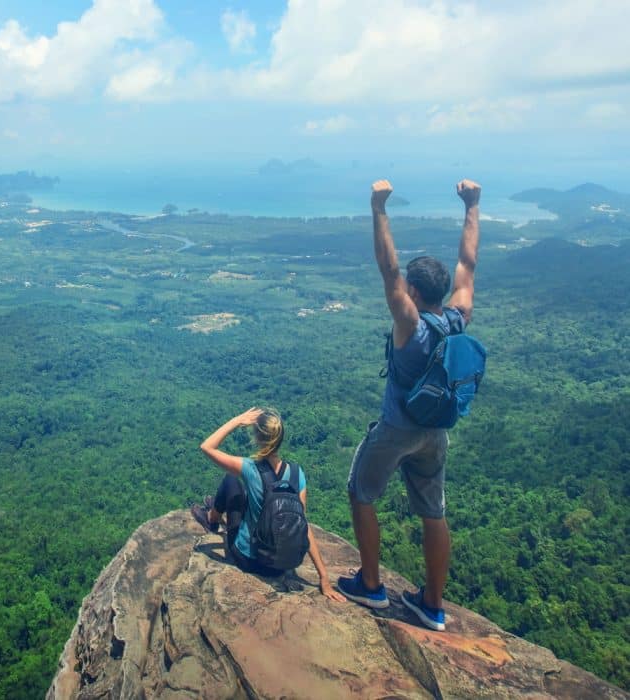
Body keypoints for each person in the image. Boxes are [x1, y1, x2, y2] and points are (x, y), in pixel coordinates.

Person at [337, 178, 482, 630]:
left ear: (414, 293)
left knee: (361, 492)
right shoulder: (458, 316)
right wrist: (472, 206)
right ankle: (433, 606)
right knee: (433, 512)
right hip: (436, 433)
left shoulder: (410, 324)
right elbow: (468, 262)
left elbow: (387, 266)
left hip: (396, 429)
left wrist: (378, 207)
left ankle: (372, 586)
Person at [192, 406, 346, 602]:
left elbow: (207, 446)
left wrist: (238, 420)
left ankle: (211, 519)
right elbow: (302, 526)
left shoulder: (249, 468)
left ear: (257, 438)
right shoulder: (297, 475)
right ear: (280, 438)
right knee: (254, 498)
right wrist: (323, 578)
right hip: (280, 566)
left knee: (231, 481)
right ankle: (214, 513)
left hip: (248, 560)